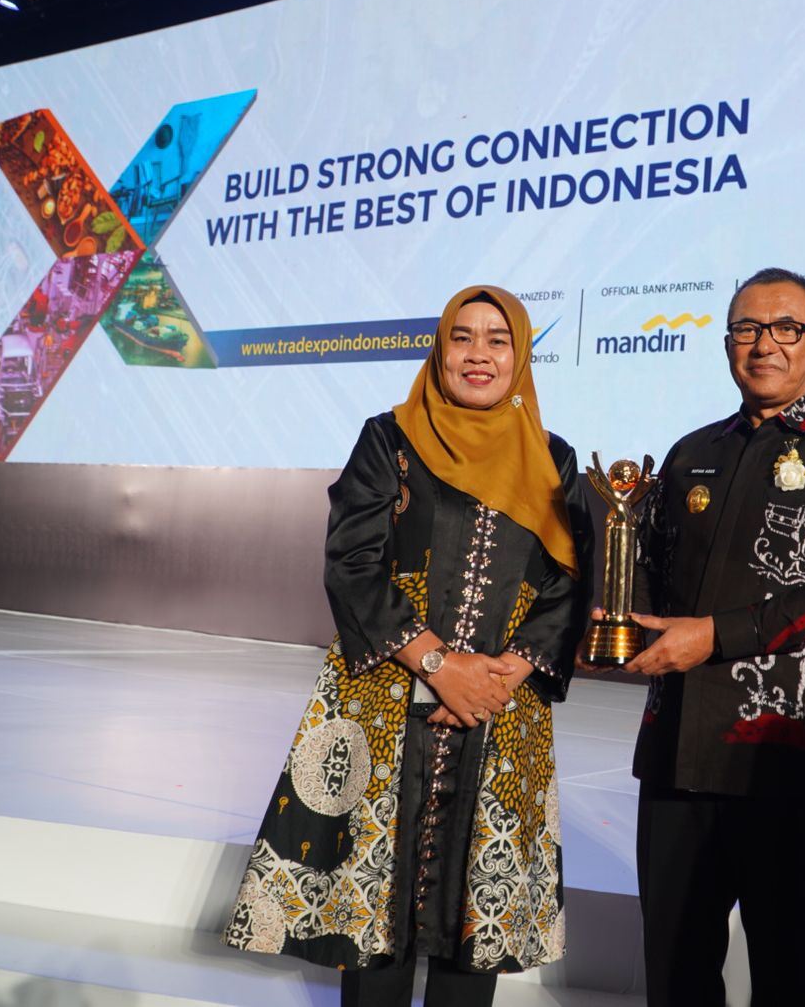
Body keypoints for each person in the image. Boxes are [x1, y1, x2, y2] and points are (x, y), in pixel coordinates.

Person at [225, 285, 593, 1007]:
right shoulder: (389, 440)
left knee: (471, 937)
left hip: (499, 715)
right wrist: (439, 665)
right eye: (463, 337)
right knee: (374, 933)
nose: (479, 354)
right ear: (440, 349)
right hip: (388, 705)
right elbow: (351, 562)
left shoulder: (554, 457)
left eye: (498, 340)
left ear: (520, 355)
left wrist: (497, 678)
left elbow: (569, 583)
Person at [620, 266, 805, 1006]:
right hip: (679, 752)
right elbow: (650, 575)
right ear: (727, 343)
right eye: (747, 328)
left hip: (787, 757)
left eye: (786, 328)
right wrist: (623, 626)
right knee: (675, 972)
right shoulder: (690, 451)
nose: (764, 344)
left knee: (788, 971)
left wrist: (714, 636)